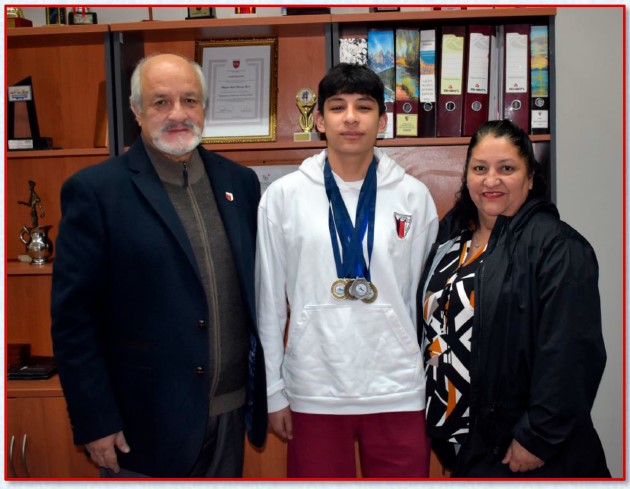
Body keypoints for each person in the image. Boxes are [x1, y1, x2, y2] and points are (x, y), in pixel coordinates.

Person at [51, 53, 267, 478]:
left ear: (204, 108)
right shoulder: (96, 192)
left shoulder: (240, 184)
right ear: (136, 110)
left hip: (229, 415)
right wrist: (96, 420)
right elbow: (73, 320)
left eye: (190, 100)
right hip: (143, 423)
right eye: (160, 102)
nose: (178, 114)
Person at [256, 63, 439, 478]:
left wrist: (429, 383)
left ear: (382, 120)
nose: (351, 118)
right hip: (313, 388)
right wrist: (272, 392)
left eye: (364, 107)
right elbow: (270, 303)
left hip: (399, 389)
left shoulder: (414, 196)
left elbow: (428, 303)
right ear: (319, 120)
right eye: (337, 107)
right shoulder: (284, 197)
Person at [418, 119, 610, 477]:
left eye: (506, 168)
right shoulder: (449, 241)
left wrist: (537, 437)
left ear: (530, 177)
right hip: (465, 447)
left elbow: (571, 353)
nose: (491, 181)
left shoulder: (559, 248)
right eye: (479, 169)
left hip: (526, 454)